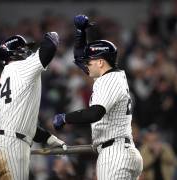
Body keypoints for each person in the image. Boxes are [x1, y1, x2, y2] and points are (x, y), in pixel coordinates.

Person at [52, 15, 143, 180]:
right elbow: (79, 57)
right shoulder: (112, 76)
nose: (86, 64)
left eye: (90, 61)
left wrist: (66, 117)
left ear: (100, 62)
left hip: (115, 154)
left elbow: (95, 113)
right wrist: (81, 33)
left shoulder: (108, 80)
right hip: (122, 151)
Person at [0, 33, 66, 180]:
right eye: (24, 48)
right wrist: (52, 33)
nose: (28, 51)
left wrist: (48, 138)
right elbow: (50, 46)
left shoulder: (7, 75)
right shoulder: (20, 67)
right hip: (12, 147)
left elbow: (21, 122)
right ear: (14, 53)